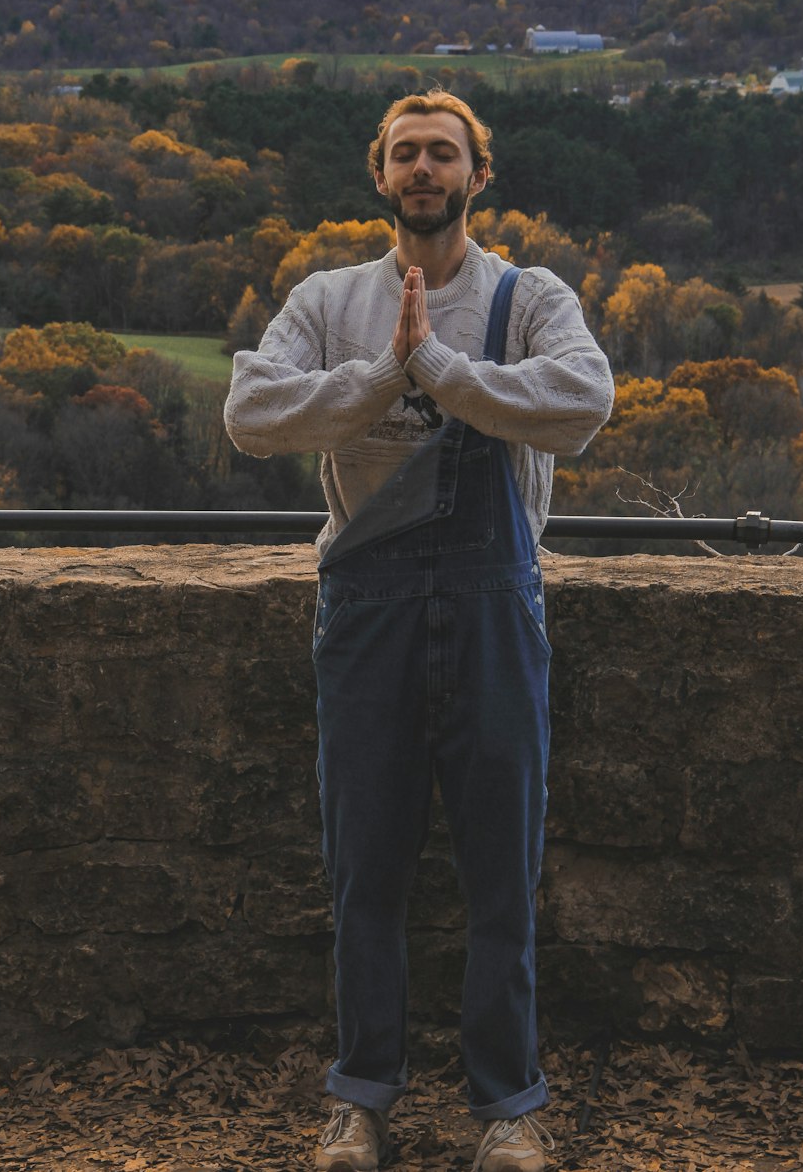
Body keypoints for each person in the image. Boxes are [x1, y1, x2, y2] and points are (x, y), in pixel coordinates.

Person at [224, 90, 613, 1172]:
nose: (424, 170)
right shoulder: (329, 298)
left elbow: (582, 402)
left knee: (501, 866)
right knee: (366, 866)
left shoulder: (527, 296)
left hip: (494, 601)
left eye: (444, 153)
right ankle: (361, 1101)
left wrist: (436, 370)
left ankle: (507, 1108)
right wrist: (384, 374)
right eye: (406, 155)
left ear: (479, 175)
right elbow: (251, 413)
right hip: (366, 610)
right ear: (380, 175)